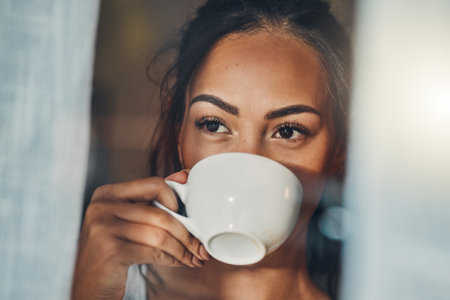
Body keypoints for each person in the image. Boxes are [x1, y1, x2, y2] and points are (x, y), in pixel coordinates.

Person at [71, 0, 351, 299]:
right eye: (214, 125)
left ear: (339, 149)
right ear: (180, 131)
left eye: (288, 131)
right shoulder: (109, 286)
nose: (246, 171)